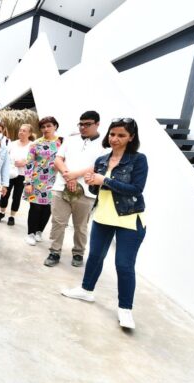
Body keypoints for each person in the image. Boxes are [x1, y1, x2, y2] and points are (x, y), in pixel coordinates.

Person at [61, 118, 147, 330]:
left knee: (124, 265)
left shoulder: (138, 160)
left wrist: (104, 181)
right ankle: (86, 290)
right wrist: (92, 182)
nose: (115, 139)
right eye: (112, 134)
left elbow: (136, 189)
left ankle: (125, 309)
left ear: (131, 138)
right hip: (102, 216)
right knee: (95, 256)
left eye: (121, 135)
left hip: (129, 218)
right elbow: (96, 191)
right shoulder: (102, 160)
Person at [45, 111, 107, 268]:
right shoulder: (70, 140)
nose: (83, 127)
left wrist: (74, 176)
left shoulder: (104, 145)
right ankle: (54, 251)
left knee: (80, 226)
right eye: (81, 124)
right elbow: (58, 159)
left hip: (86, 191)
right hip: (61, 187)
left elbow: (98, 166)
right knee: (58, 222)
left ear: (97, 124)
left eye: (88, 124)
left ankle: (78, 253)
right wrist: (67, 175)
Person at [24, 116, 62, 246]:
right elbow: (29, 163)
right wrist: (28, 182)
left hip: (55, 181)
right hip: (36, 179)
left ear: (55, 126)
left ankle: (39, 231)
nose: (46, 129)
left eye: (49, 126)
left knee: (48, 209)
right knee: (35, 208)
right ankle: (31, 233)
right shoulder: (35, 143)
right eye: (43, 127)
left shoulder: (62, 143)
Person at [0, 123, 34, 226]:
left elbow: (35, 160)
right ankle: (2, 212)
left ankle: (12, 216)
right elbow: (5, 156)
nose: (21, 132)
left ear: (29, 133)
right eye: (20, 130)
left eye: (24, 131)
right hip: (10, 173)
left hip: (22, 175)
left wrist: (25, 162)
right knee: (4, 194)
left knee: (17, 196)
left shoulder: (32, 145)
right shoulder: (12, 144)